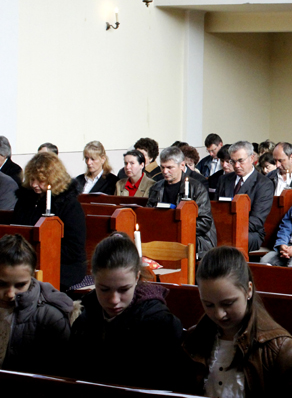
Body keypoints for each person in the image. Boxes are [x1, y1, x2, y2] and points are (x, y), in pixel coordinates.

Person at [184, 246, 292, 395]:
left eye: (228, 303)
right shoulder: (194, 339)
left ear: (249, 290)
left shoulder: (279, 348)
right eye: (208, 305)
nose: (219, 314)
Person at [69, 233, 187, 391]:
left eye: (124, 289)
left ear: (137, 277)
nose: (114, 300)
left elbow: (174, 384)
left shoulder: (161, 324)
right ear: (93, 279)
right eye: (104, 289)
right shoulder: (84, 317)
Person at [11, 153, 86, 291]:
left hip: (63, 265)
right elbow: (16, 230)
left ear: (54, 179)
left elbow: (74, 248)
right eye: (32, 179)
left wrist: (39, 253)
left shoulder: (69, 205)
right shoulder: (25, 200)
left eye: (40, 180)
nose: (34, 185)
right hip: (25, 262)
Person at [0, 234, 73, 375]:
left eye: (20, 285)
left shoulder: (51, 317)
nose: (10, 294)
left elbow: (61, 372)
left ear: (32, 276)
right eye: (2, 284)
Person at [146, 147, 217, 258]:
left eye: (169, 167)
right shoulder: (156, 188)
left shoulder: (197, 188)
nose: (165, 171)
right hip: (164, 235)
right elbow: (149, 215)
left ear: (182, 165)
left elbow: (205, 222)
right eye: (162, 167)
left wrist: (176, 229)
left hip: (195, 238)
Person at [217, 141, 275, 252]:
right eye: (233, 161)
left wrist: (231, 228)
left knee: (231, 240)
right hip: (223, 229)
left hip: (251, 232)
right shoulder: (224, 180)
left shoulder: (264, 184)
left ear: (252, 158)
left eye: (240, 161)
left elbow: (257, 220)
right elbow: (216, 209)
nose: (236, 166)